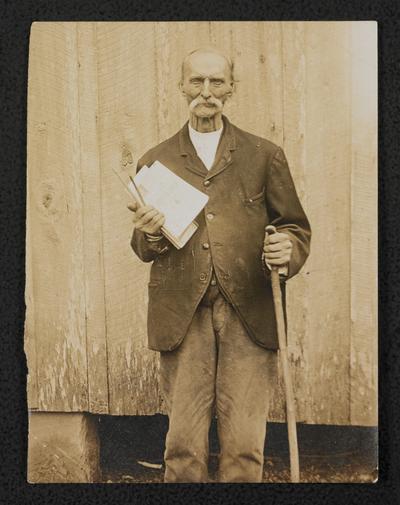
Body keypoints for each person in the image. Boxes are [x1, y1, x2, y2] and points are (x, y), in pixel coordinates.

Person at [128, 47, 311, 483]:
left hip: (250, 308)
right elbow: (142, 245)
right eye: (196, 81)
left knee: (245, 446)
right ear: (181, 86)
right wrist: (150, 231)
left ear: (231, 88)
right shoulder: (155, 161)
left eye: (216, 82)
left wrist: (289, 249)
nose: (206, 92)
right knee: (183, 446)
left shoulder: (265, 155)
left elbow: (294, 227)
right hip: (182, 313)